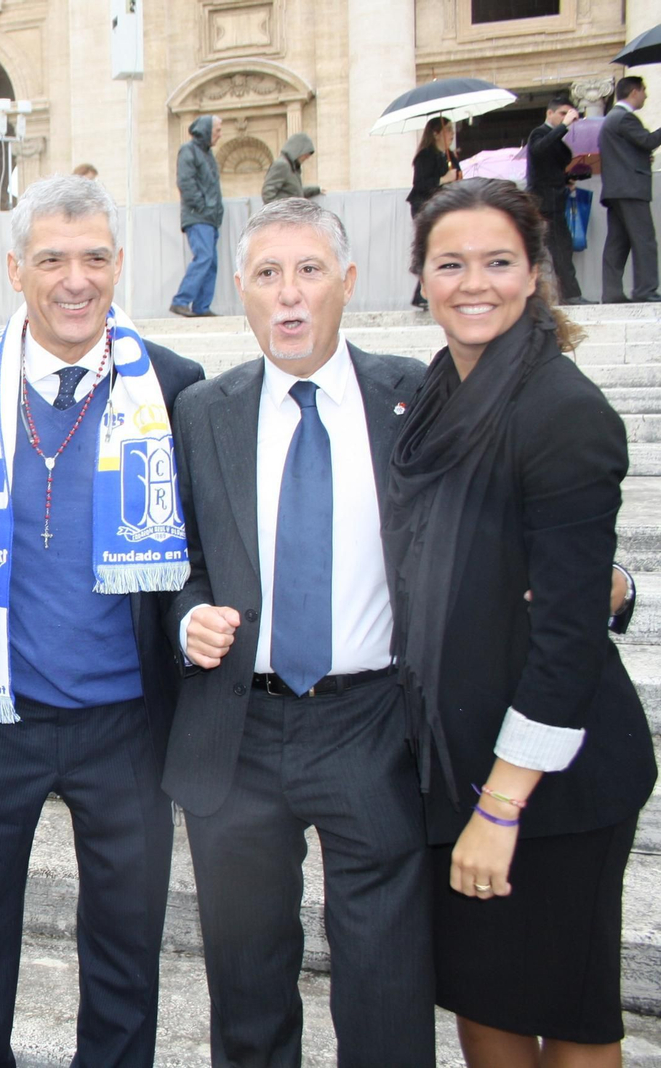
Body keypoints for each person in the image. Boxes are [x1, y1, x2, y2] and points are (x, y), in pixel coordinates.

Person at [0, 174, 204, 1067]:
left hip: (126, 722)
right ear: (14, 268)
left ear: (118, 265)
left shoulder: (177, 383)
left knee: (124, 953)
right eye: (51, 258)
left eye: (92, 258)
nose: (74, 279)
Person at [388, 178, 657, 1066]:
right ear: (420, 278)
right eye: (451, 263)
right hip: (454, 756)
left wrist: (501, 807)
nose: (476, 283)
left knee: (570, 1015)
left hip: (550, 784)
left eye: (499, 263)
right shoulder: (436, 393)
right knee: (484, 995)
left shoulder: (561, 410)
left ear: (534, 273)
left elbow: (567, 637)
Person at [167, 198, 436, 1067]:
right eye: (268, 275)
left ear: (348, 283)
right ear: (240, 289)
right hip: (239, 729)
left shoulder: (415, 396)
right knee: (247, 987)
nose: (289, 295)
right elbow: (185, 558)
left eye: (310, 270)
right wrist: (188, 617)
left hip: (371, 726)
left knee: (388, 982)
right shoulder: (204, 410)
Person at [598, 76, 661, 304]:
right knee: (644, 240)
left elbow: (631, 150)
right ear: (634, 92)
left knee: (618, 242)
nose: (646, 96)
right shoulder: (625, 118)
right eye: (644, 91)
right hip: (630, 188)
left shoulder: (612, 119)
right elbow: (647, 140)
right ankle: (645, 290)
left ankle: (612, 292)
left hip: (617, 190)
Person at [525, 94, 591, 305]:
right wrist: (562, 126)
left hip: (554, 199)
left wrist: (566, 179)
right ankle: (570, 295)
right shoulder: (539, 133)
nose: (568, 117)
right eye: (563, 113)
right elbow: (539, 150)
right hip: (544, 202)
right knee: (557, 248)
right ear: (550, 113)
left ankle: (567, 294)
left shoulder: (554, 137)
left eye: (569, 114)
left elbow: (548, 166)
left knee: (560, 248)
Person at [171, 114, 224, 317]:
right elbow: (186, 182)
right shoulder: (188, 150)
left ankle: (202, 306)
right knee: (204, 257)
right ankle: (181, 300)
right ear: (206, 130)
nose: (219, 135)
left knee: (211, 262)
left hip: (209, 218)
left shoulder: (207, 154)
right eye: (217, 130)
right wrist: (202, 207)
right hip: (198, 216)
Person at [409, 116, 463, 309]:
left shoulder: (450, 156)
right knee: (431, 247)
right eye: (448, 130)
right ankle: (422, 293)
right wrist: (443, 179)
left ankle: (426, 293)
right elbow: (420, 185)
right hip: (426, 208)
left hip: (444, 207)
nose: (451, 134)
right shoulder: (425, 156)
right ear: (436, 133)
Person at [261, 132, 322, 204]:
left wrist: (317, 190)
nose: (307, 157)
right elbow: (267, 195)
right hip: (284, 214)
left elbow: (295, 193)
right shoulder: (282, 165)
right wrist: (284, 211)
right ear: (298, 150)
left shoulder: (292, 167)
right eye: (306, 154)